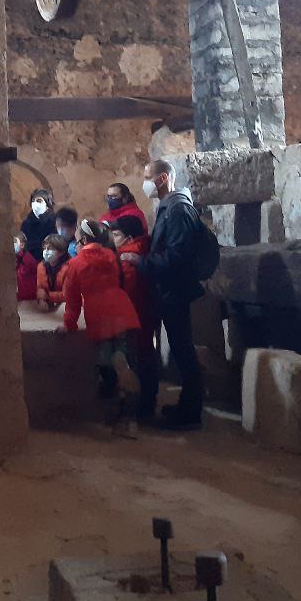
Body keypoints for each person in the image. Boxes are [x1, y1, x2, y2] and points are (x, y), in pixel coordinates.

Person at [139, 158, 206, 430]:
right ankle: (186, 408)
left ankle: (190, 413)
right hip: (168, 290)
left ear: (163, 178)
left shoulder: (178, 210)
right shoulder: (168, 207)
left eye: (147, 176)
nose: (145, 182)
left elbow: (176, 256)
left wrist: (140, 263)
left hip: (175, 291)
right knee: (180, 349)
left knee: (183, 350)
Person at [60, 218, 142, 431]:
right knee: (128, 365)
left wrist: (68, 325)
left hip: (101, 317)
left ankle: (113, 411)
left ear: (84, 239)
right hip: (124, 311)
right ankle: (131, 420)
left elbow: (73, 301)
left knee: (107, 369)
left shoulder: (76, 264)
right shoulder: (111, 255)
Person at [110, 215, 159, 420]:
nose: (113, 238)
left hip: (134, 318)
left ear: (128, 237)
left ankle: (139, 410)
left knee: (136, 364)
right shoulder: (141, 251)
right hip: (144, 317)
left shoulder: (128, 258)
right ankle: (145, 405)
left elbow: (127, 293)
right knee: (145, 359)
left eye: (116, 234)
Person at [20, 188, 57, 261]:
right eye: (33, 201)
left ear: (47, 204)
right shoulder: (26, 224)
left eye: (39, 201)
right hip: (28, 263)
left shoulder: (54, 221)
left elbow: (55, 244)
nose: (35, 204)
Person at [35, 233, 70, 310]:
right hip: (50, 301)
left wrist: (47, 295)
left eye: (50, 249)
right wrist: (41, 300)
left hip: (66, 303)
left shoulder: (70, 268)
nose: (46, 251)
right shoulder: (41, 266)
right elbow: (40, 287)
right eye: (44, 248)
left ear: (61, 252)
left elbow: (68, 294)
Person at [15, 232, 39, 302]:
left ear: (22, 245)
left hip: (29, 298)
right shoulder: (16, 257)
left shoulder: (28, 259)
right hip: (20, 296)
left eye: (15, 241)